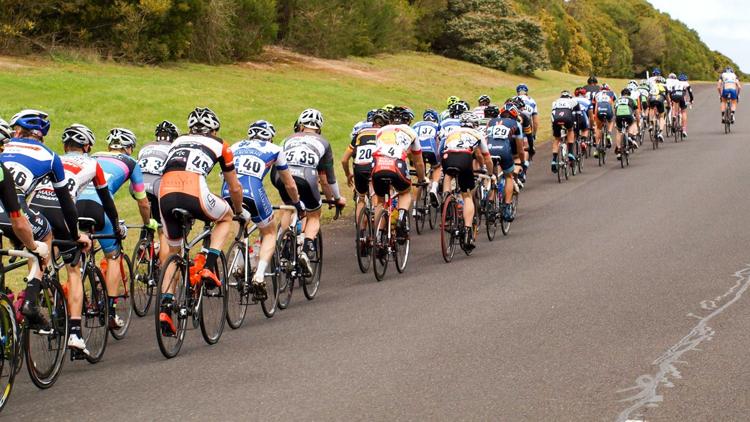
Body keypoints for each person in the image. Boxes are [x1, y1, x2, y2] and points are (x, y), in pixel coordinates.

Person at [0, 110, 92, 350]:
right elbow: (66, 204)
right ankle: (31, 298)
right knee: (45, 236)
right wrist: (74, 234)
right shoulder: (50, 156)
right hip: (13, 212)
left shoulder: (5, 145)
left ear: (16, 131)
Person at [157, 107, 248, 336]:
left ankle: (166, 306)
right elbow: (235, 187)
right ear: (214, 129)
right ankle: (209, 267)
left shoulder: (177, 141)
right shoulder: (221, 144)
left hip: (165, 194)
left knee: (174, 255)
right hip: (193, 190)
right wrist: (238, 210)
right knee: (225, 217)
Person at [78, 128, 156, 329]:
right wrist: (148, 223)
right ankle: (111, 310)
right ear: (129, 148)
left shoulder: (91, 156)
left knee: (76, 256)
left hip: (74, 207)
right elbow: (142, 201)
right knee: (113, 256)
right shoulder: (131, 163)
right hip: (99, 209)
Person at [223, 120, 304, 299]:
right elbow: (289, 183)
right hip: (253, 191)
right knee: (269, 231)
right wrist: (297, 202)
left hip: (228, 190)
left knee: (241, 220)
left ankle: (239, 262)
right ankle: (259, 274)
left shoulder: (236, 145)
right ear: (270, 136)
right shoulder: (274, 149)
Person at [273, 108, 345, 276]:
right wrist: (336, 198)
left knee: (288, 206)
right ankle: (306, 248)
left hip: (280, 177)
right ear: (319, 128)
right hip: (307, 177)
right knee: (314, 214)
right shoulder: (324, 142)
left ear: (300, 125)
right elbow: (329, 178)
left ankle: (284, 244)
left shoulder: (286, 139)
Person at [370, 106, 425, 240]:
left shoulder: (380, 131)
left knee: (380, 201)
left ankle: (377, 235)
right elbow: (418, 161)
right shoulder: (411, 132)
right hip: (397, 164)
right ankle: (401, 216)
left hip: (378, 164)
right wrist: (422, 178)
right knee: (405, 192)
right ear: (408, 120)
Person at [440, 112, 490, 250]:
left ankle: (446, 198)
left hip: (448, 156)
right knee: (467, 195)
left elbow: (440, 150)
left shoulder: (452, 132)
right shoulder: (477, 134)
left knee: (448, 175)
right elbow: (483, 156)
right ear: (474, 125)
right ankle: (468, 230)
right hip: (465, 157)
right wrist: (488, 171)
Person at [137, 120, 178, 262]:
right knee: (163, 229)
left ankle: (144, 239)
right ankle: (163, 270)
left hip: (138, 186)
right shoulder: (174, 148)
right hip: (157, 185)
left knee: (148, 211)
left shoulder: (146, 147)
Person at [342, 109, 387, 223]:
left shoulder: (361, 133)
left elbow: (344, 160)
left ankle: (361, 235)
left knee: (361, 199)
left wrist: (348, 175)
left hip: (359, 167)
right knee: (378, 199)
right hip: (376, 167)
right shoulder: (386, 134)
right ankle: (378, 234)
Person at [486, 102, 522, 222]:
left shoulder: (491, 121)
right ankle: (507, 206)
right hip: (504, 151)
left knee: (492, 177)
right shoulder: (516, 124)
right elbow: (520, 148)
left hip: (489, 150)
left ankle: (489, 203)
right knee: (509, 176)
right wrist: (521, 161)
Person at [411, 109, 442, 206]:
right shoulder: (437, 126)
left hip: (418, 150)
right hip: (431, 148)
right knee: (437, 167)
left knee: (420, 178)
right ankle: (434, 187)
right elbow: (439, 140)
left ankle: (415, 207)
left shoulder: (416, 125)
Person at [550, 90, 580, 173]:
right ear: (569, 96)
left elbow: (552, 114)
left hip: (555, 119)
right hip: (567, 118)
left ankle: (554, 160)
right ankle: (570, 152)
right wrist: (577, 129)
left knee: (557, 139)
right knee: (570, 130)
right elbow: (578, 115)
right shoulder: (573, 100)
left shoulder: (555, 102)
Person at [614, 88, 640, 159]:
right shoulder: (632, 99)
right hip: (628, 115)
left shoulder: (617, 100)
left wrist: (616, 122)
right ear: (629, 94)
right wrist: (638, 122)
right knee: (632, 123)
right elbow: (637, 113)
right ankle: (630, 137)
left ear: (621, 94)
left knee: (619, 131)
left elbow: (615, 111)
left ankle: (619, 149)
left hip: (618, 116)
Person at [515, 84, 539, 159]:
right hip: (526, 127)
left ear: (517, 92)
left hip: (514, 126)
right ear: (526, 92)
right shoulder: (532, 101)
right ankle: (524, 164)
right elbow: (535, 122)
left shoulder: (513, 99)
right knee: (527, 149)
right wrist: (534, 134)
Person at [593, 84, 616, 153]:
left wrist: (595, 117)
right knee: (611, 120)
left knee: (598, 128)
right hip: (608, 110)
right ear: (608, 89)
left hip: (599, 110)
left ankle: (597, 147)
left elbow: (595, 105)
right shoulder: (611, 93)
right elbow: (614, 103)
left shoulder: (597, 94)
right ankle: (609, 133)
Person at [648, 76, 668, 142]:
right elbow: (667, 98)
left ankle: (651, 123)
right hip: (660, 100)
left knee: (651, 109)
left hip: (652, 99)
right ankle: (660, 131)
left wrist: (648, 105)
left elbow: (648, 96)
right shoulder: (664, 86)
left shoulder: (652, 86)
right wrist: (669, 105)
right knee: (662, 116)